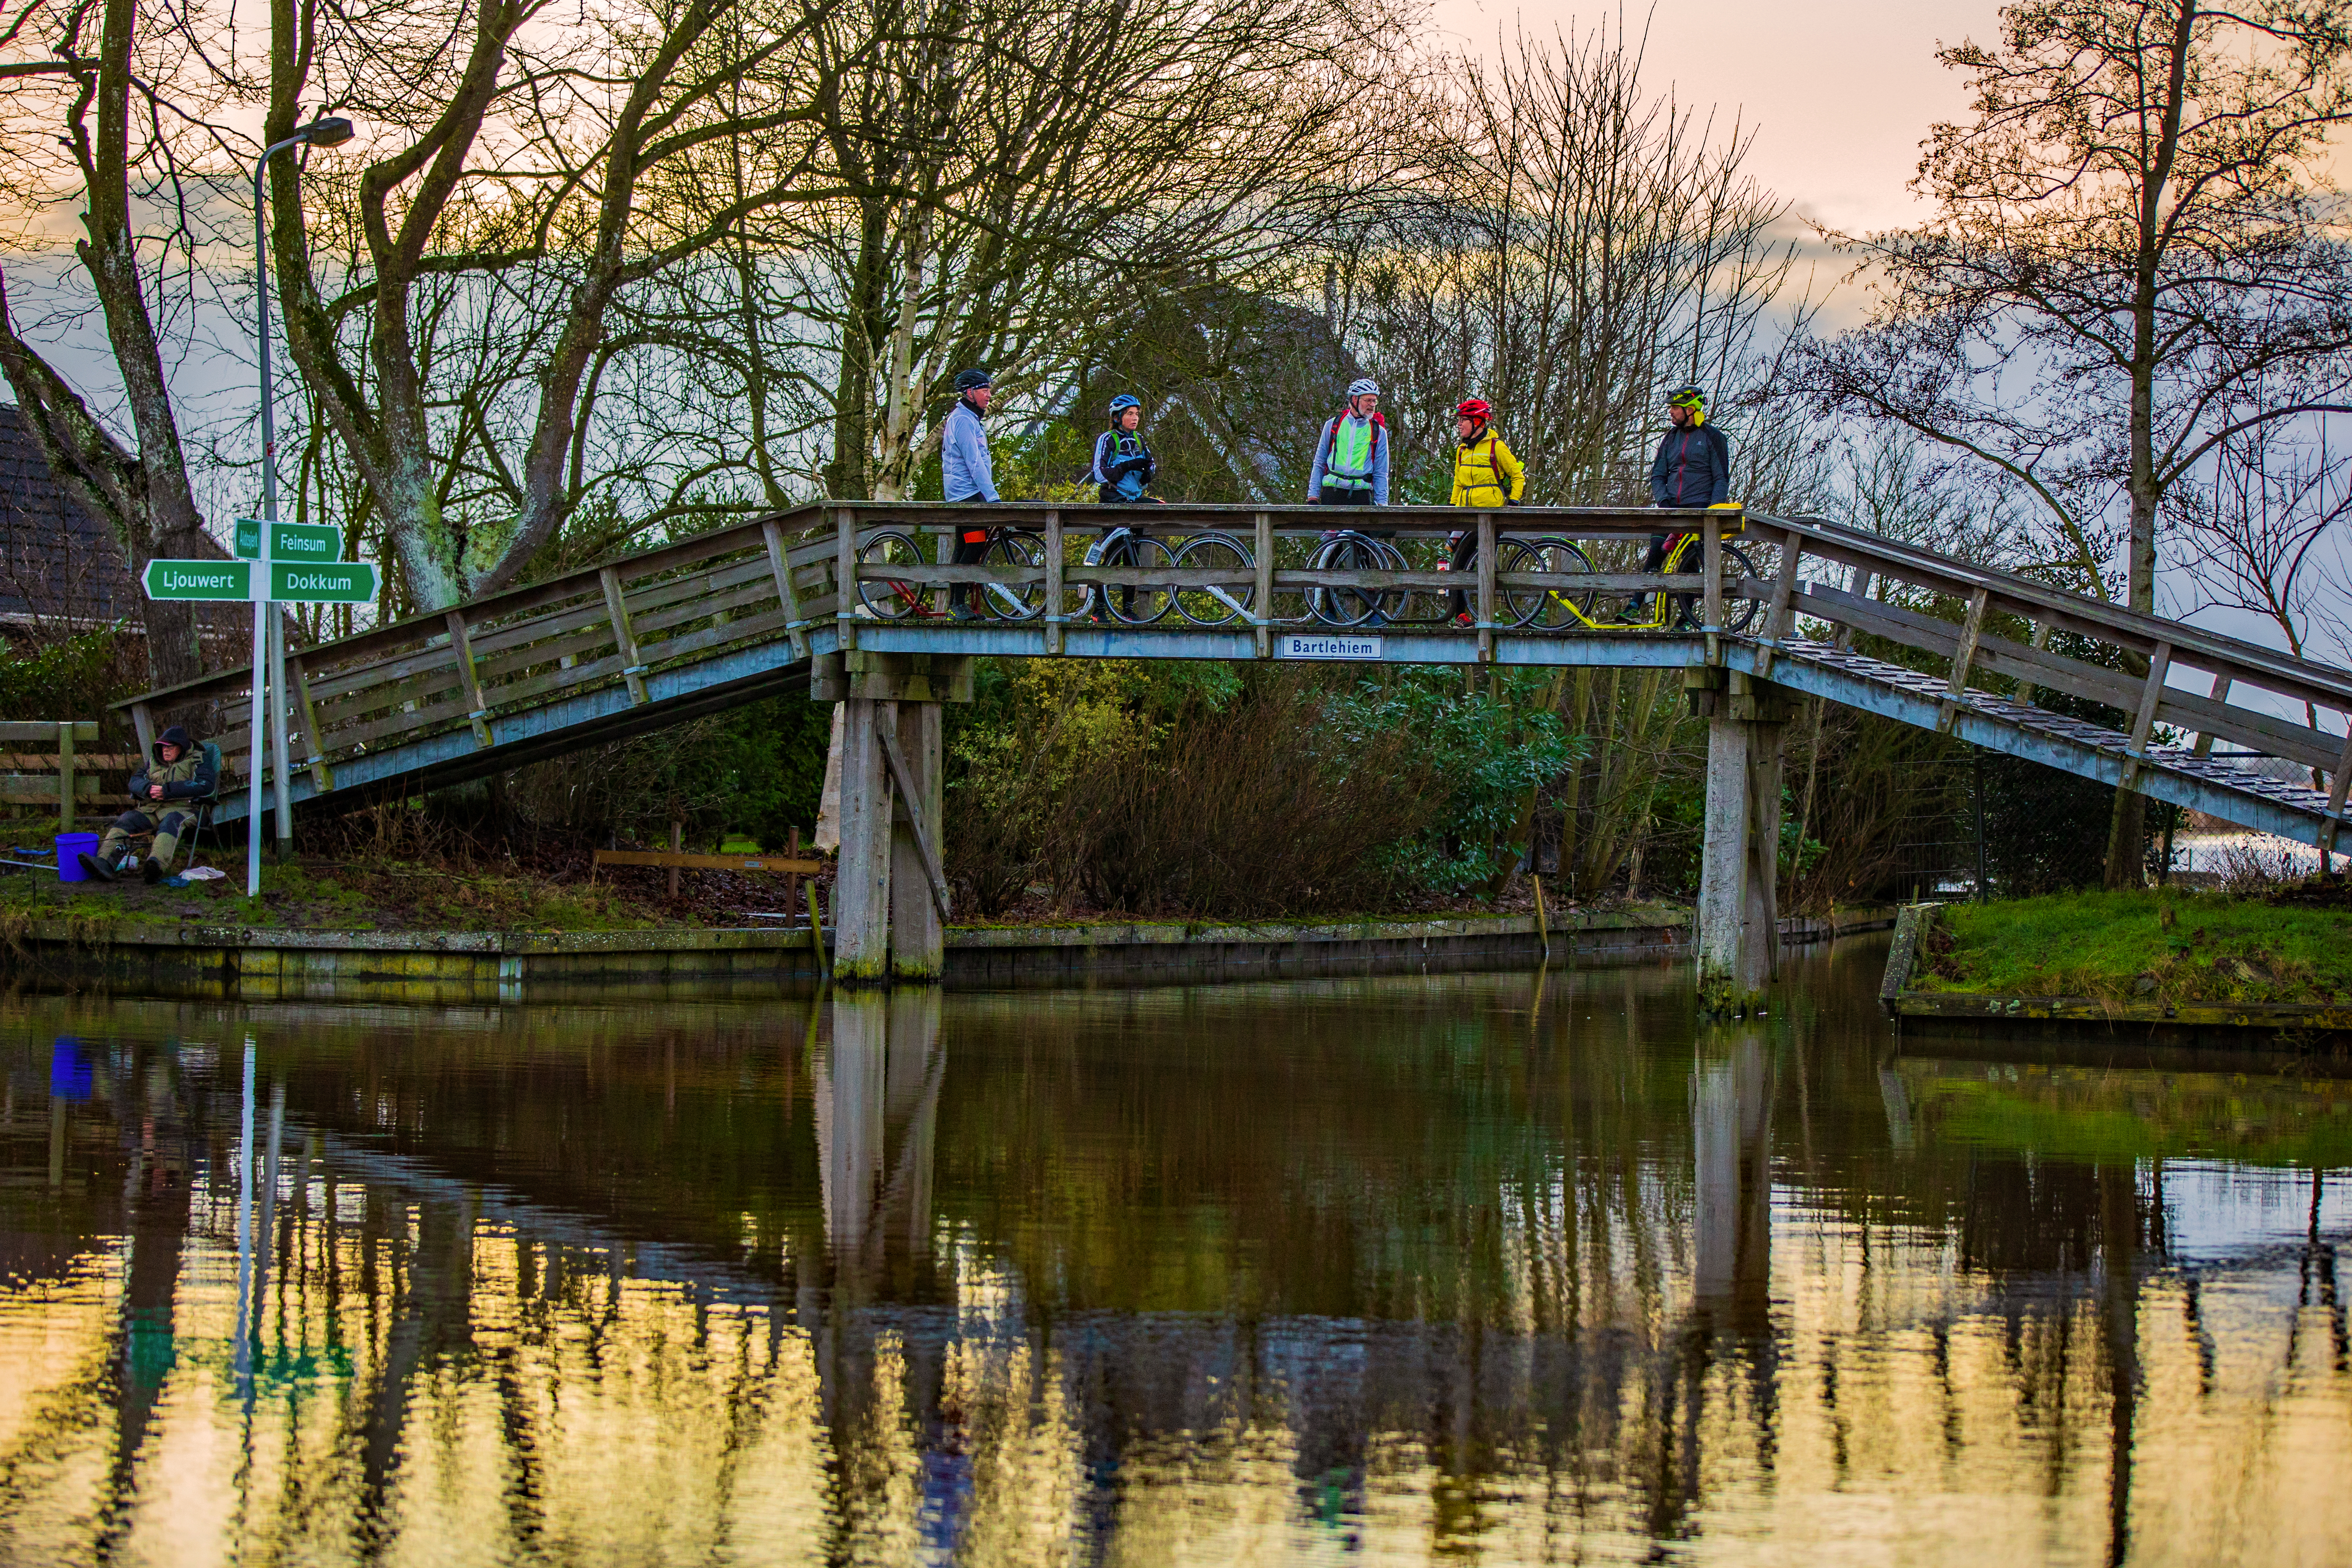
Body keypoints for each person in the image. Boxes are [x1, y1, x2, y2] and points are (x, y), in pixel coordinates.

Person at [1624, 383, 1731, 622]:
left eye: (1675, 407)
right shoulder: (1670, 438)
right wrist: (1663, 501)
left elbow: (1721, 479)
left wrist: (1713, 513)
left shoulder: (1714, 438)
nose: (1670, 412)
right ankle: (1634, 606)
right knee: (1655, 554)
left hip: (1700, 511)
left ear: (1690, 409)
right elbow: (1658, 474)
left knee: (1691, 567)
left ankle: (1684, 621)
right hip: (1670, 509)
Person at [81, 724, 215, 884]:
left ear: (181, 747)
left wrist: (168, 790)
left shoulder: (198, 758)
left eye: (170, 747)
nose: (165, 750)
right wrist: (148, 789)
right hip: (153, 809)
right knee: (128, 819)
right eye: (162, 746)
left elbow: (206, 785)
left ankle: (156, 866)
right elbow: (135, 781)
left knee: (172, 820)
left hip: (187, 809)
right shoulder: (154, 761)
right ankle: (105, 863)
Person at [1445, 397, 1525, 624]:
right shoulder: (1462, 450)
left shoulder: (1496, 447)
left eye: (1463, 420)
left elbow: (1518, 476)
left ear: (1478, 422)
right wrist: (1452, 508)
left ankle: (1478, 616)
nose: (1459, 425)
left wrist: (1513, 504)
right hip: (1466, 515)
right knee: (1458, 564)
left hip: (1490, 516)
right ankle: (1463, 614)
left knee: (1476, 565)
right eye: (1459, 420)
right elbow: (1458, 483)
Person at [1088, 393, 1159, 620]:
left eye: (1137, 414)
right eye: (1130, 414)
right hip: (1114, 501)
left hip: (1134, 501)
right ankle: (1099, 610)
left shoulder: (1140, 440)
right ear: (1118, 417)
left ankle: (1128, 610)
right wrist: (1129, 465)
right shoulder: (1108, 439)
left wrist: (1148, 473)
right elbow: (1099, 474)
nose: (1135, 418)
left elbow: (1151, 465)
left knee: (1133, 556)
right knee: (1112, 556)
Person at [941, 367, 1000, 619]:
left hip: (970, 492)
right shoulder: (963, 420)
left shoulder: (970, 419)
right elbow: (974, 462)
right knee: (975, 543)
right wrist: (993, 497)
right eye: (985, 390)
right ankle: (957, 604)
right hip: (965, 494)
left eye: (989, 390)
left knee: (964, 546)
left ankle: (958, 604)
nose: (989, 395)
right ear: (970, 393)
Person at [1308, 378, 1389, 509]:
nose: (1372, 405)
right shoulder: (1333, 425)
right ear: (1355, 400)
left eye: (1374, 401)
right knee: (1330, 530)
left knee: (1360, 530)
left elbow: (1381, 472)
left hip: (1361, 496)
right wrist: (1313, 497)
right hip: (1332, 494)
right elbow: (1319, 462)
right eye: (1368, 400)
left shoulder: (1378, 432)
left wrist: (1382, 504)